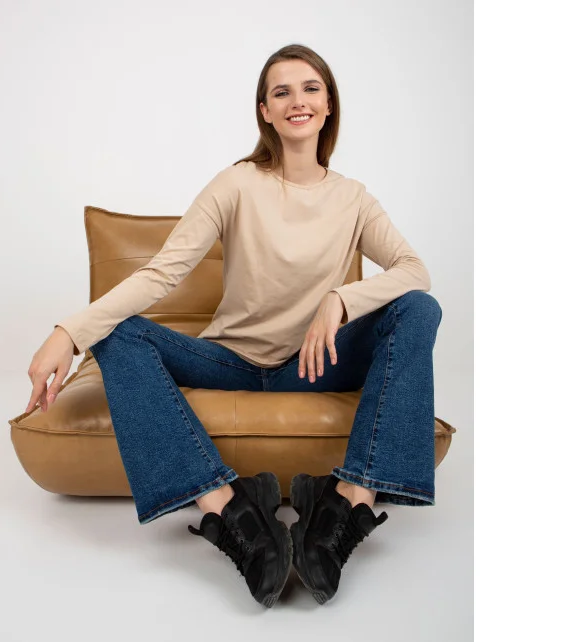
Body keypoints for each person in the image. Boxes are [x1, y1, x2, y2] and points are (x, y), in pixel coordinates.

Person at [25, 43, 442, 608]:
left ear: (328, 105)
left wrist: (342, 300)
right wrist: (68, 332)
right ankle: (229, 510)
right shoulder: (237, 183)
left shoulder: (354, 199)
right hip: (229, 362)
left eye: (310, 88)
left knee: (419, 309)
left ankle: (347, 503)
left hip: (312, 366)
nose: (297, 101)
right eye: (281, 92)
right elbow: (162, 273)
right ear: (265, 112)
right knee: (117, 332)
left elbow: (415, 271)